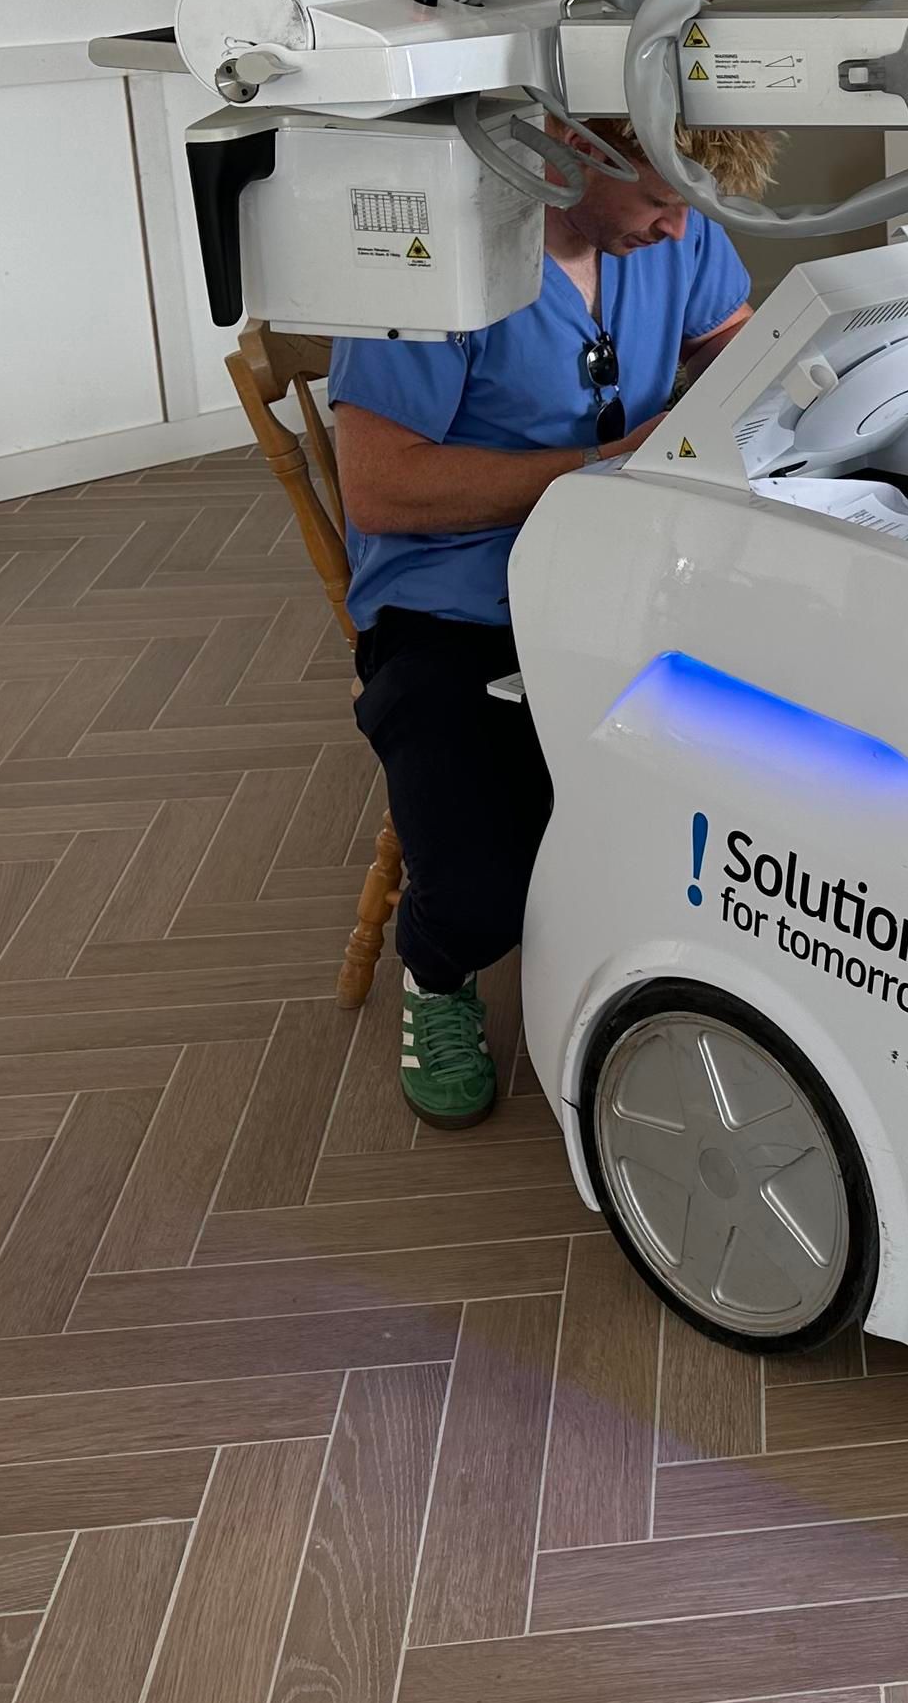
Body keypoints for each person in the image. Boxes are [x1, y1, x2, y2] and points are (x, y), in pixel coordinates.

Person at [331, 117, 782, 1126]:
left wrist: (758, 391)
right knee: (490, 885)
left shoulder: (676, 233)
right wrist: (605, 465)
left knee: (745, 773)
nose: (677, 231)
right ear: (582, 148)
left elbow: (732, 340)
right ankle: (436, 970)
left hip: (625, 578)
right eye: (662, 200)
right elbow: (381, 488)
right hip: (449, 605)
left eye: (693, 212)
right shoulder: (432, 253)